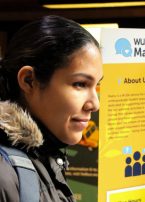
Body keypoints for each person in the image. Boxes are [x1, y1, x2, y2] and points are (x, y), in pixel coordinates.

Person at [0, 15, 103, 201]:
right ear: (29, 81)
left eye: (96, 85)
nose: (95, 104)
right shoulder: (4, 175)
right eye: (80, 84)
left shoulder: (44, 157)